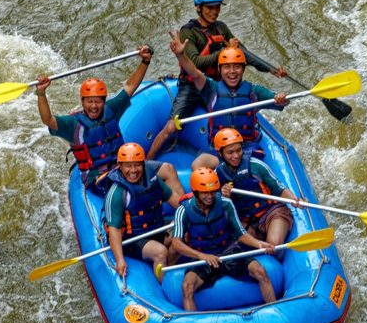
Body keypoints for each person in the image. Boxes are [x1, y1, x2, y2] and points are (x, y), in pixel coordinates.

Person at [146, 0, 287, 161]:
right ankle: (147, 162)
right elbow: (196, 62)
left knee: (233, 115)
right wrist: (223, 51)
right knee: (170, 128)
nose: (215, 12)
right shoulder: (188, 31)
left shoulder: (221, 28)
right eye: (210, 7)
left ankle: (240, 152)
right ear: (199, 7)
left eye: (217, 7)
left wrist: (272, 70)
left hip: (217, 86)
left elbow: (242, 55)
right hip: (192, 86)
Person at [34, 46, 183, 197]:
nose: (94, 106)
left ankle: (185, 212)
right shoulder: (73, 124)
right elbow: (48, 119)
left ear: (104, 101)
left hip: (125, 167)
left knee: (168, 169)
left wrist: (145, 61)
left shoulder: (111, 109)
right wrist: (41, 93)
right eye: (89, 102)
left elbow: (130, 86)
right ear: (82, 102)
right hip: (99, 178)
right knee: (134, 187)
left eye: (98, 102)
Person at [150, 33, 290, 170]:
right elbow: (194, 73)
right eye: (227, 67)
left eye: (237, 67)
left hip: (245, 148)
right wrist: (180, 55)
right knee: (197, 165)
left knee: (245, 170)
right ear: (220, 69)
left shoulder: (254, 91)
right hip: (218, 149)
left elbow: (282, 101)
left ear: (243, 69)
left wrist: (281, 98)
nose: (232, 72)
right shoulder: (211, 88)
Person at [171, 167, 277, 311]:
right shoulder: (183, 211)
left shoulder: (226, 203)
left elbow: (241, 233)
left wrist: (259, 244)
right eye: (205, 192)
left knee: (261, 272)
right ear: (196, 192)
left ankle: (273, 311)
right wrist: (201, 256)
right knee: (187, 287)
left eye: (213, 191)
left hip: (229, 250)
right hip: (202, 256)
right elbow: (176, 243)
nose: (210, 196)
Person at [214, 128, 301, 260]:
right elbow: (210, 201)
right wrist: (222, 195)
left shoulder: (256, 165)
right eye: (230, 152)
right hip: (249, 221)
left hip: (273, 212)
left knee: (274, 246)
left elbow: (279, 188)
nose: (236, 156)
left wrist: (294, 200)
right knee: (233, 248)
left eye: (238, 150)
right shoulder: (218, 174)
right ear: (220, 153)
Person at [103, 143, 180, 282]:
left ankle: (169, 267)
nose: (133, 170)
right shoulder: (117, 193)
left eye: (137, 165)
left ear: (143, 164)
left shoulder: (152, 180)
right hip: (133, 238)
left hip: (157, 229)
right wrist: (120, 260)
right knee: (160, 251)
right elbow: (114, 230)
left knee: (184, 231)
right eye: (128, 166)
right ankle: (163, 285)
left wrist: (193, 214)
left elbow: (176, 201)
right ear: (120, 166)